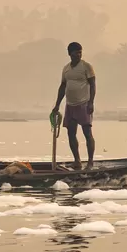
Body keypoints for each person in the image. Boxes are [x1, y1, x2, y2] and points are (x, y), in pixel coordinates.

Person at [51, 41, 96, 169]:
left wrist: (91, 102)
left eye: (80, 52)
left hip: (83, 104)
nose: (79, 55)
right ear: (70, 54)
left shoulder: (86, 67)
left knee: (87, 133)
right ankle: (77, 161)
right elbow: (63, 86)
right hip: (70, 106)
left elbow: (93, 84)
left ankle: (90, 161)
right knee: (71, 133)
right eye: (76, 52)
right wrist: (57, 105)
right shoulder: (66, 69)